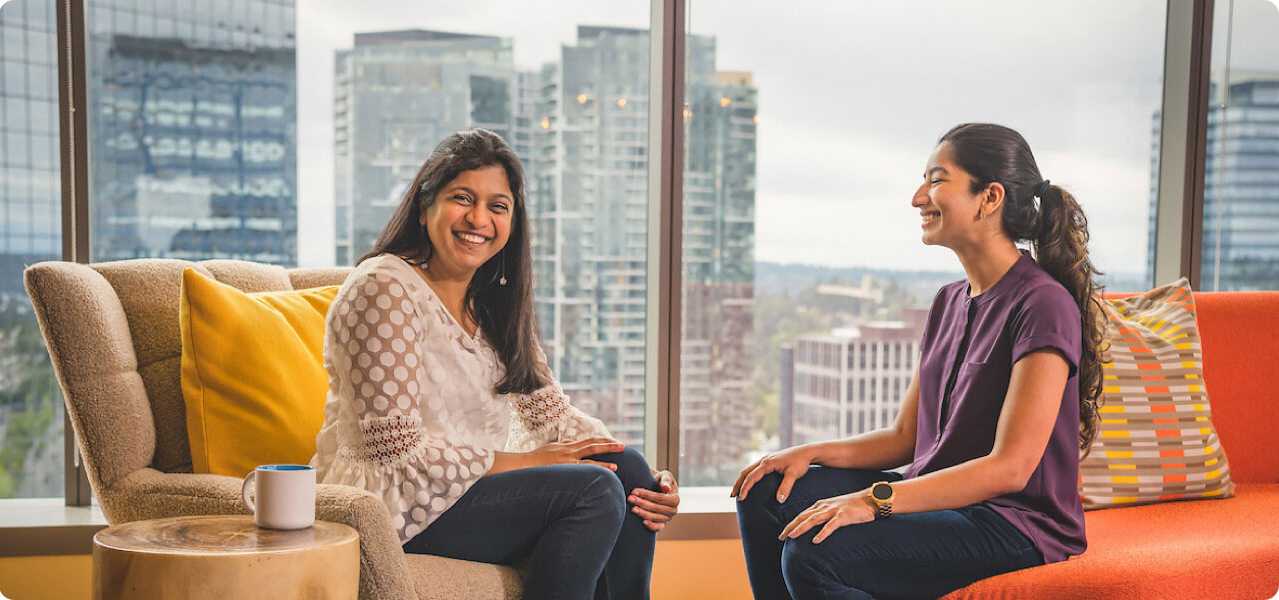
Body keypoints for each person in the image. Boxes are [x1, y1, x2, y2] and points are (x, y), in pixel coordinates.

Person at [733, 123, 1106, 600]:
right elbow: (906, 438)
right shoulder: (948, 301)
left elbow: (1010, 469)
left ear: (988, 197)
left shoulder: (1042, 304)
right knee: (765, 491)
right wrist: (811, 453)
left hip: (1011, 522)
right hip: (940, 497)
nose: (917, 198)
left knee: (815, 552)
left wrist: (875, 501)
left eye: (936, 180)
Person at [311, 128, 680, 600]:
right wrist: (523, 462)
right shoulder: (384, 288)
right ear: (425, 207)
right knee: (592, 491)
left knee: (623, 469)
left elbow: (552, 415)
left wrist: (648, 477)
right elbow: (392, 450)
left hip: (467, 491)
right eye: (462, 198)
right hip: (396, 502)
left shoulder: (494, 303)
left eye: (497, 206)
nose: (478, 218)